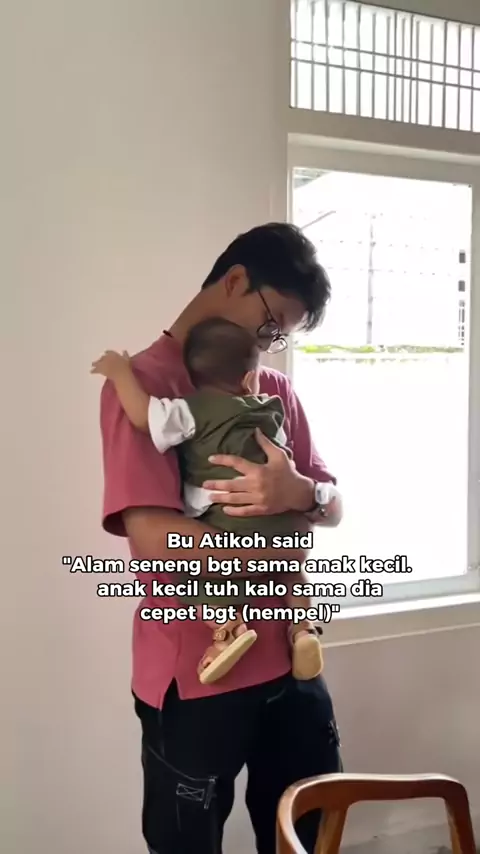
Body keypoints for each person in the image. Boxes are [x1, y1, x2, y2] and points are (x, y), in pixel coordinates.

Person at [99, 222, 343, 854]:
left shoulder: (274, 391)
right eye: (272, 325)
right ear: (236, 281)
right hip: (198, 677)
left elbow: (333, 504)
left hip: (292, 660)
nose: (270, 346)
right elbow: (157, 541)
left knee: (311, 837)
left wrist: (300, 494)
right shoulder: (142, 388)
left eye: (280, 336)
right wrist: (281, 543)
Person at [93, 316, 338, 685]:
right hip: (286, 521)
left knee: (190, 577)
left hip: (233, 521)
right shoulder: (271, 409)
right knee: (290, 571)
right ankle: (303, 627)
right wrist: (301, 502)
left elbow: (144, 417)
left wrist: (120, 372)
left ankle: (228, 629)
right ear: (249, 379)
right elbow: (322, 503)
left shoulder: (192, 410)